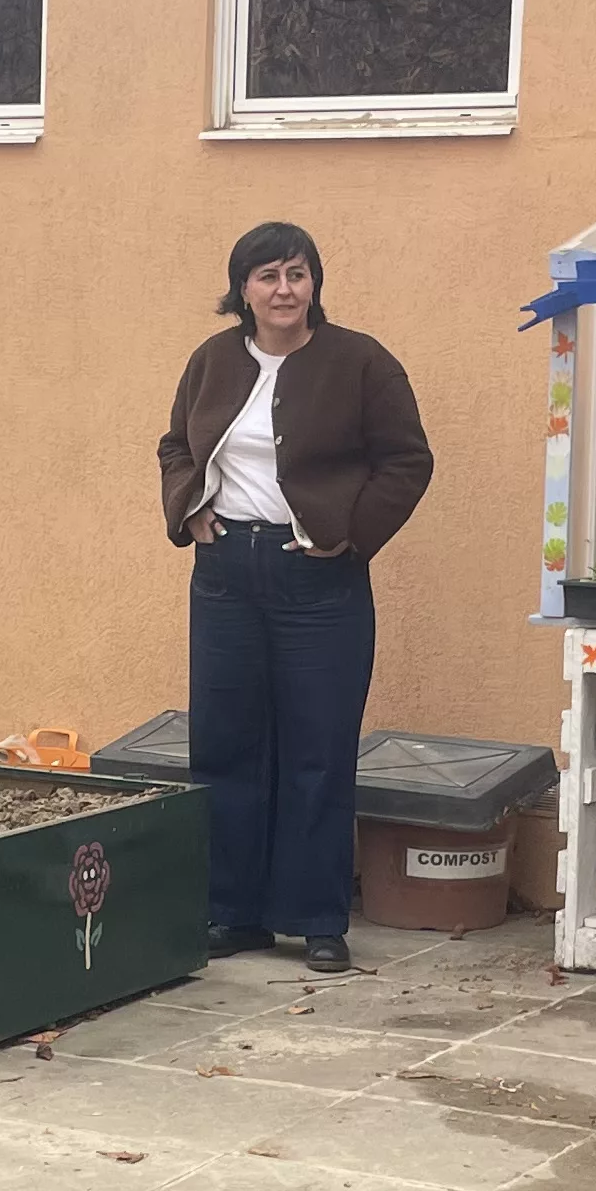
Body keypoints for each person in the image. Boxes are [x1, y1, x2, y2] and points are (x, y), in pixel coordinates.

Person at [156, 222, 433, 972]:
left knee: (318, 745)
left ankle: (316, 919)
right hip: (224, 577)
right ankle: (231, 912)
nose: (285, 290)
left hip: (319, 581)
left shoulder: (361, 362)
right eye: (268, 276)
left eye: (298, 274)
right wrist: (189, 505)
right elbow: (175, 443)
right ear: (241, 289)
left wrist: (350, 534)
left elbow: (407, 462)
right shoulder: (211, 361)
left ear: (315, 284)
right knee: (224, 744)